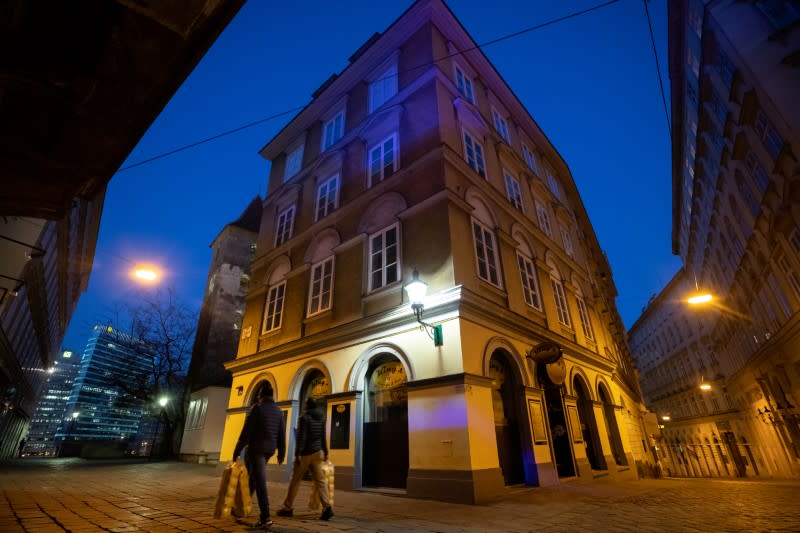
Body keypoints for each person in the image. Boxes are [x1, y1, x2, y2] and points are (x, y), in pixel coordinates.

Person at [233, 382, 286, 529]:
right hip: (270, 450)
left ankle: (266, 517)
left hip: (256, 450)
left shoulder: (257, 408)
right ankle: (241, 508)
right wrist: (282, 452)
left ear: (260, 395)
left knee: (259, 481)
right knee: (253, 479)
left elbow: (246, 432)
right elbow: (282, 433)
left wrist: (237, 449)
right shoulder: (278, 411)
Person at [276, 398, 333, 521]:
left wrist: (298, 454)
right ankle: (327, 507)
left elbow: (302, 437)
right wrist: (326, 452)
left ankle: (287, 508)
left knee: (295, 481)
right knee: (321, 481)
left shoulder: (304, 418)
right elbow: (323, 436)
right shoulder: (322, 417)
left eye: (305, 404)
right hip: (318, 452)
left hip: (306, 454)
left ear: (307, 406)